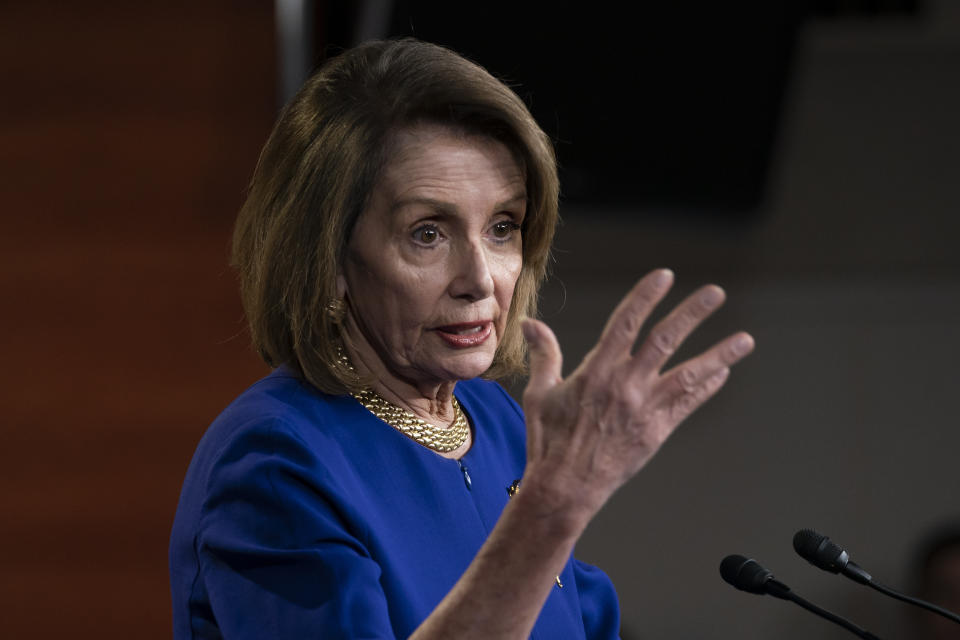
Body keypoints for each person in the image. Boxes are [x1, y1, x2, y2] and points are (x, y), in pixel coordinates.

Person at [169, 38, 755, 639]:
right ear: (330, 261)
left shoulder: (494, 418)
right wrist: (550, 515)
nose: (480, 279)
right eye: (428, 233)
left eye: (503, 228)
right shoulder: (275, 463)